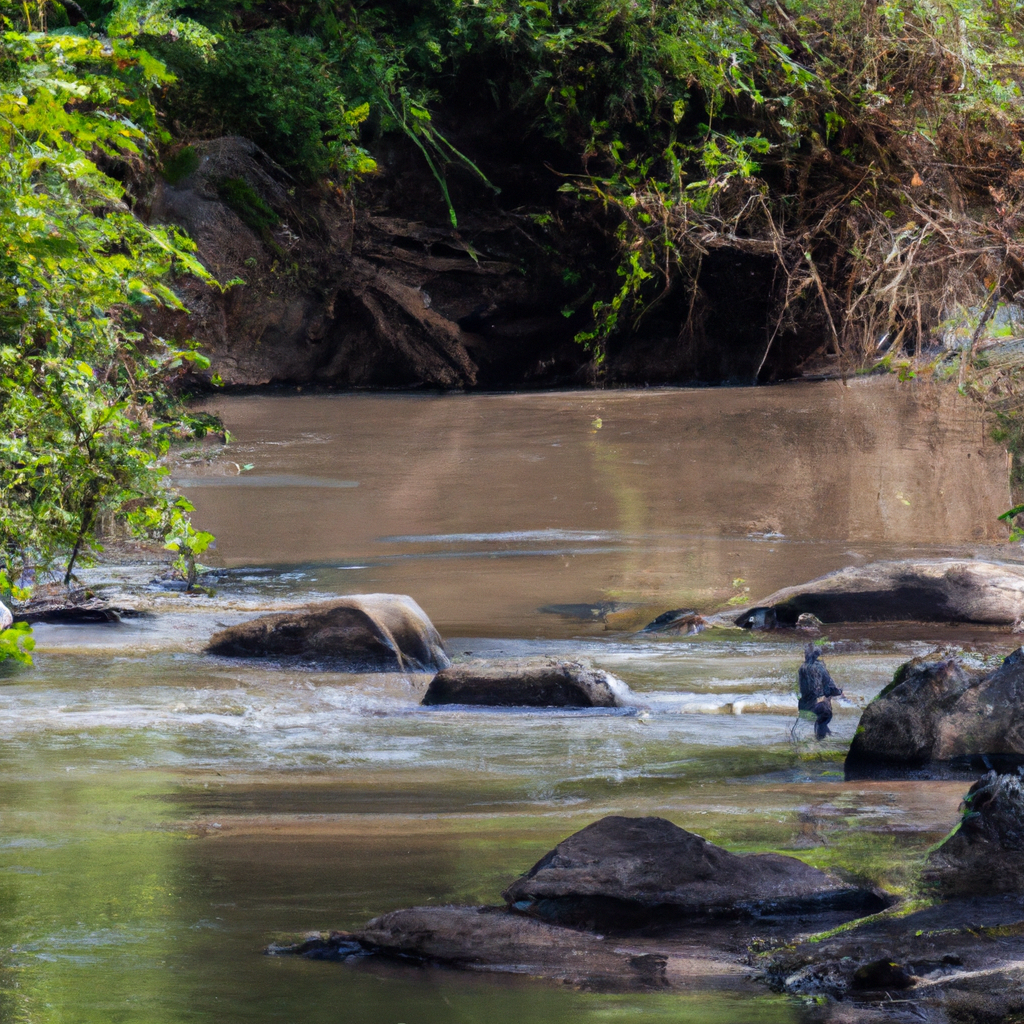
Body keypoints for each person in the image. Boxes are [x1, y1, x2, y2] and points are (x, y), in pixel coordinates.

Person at [798, 644, 843, 740]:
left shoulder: (802, 668)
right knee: (826, 713)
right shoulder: (820, 668)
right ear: (817, 655)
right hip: (815, 707)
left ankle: (822, 734)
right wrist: (839, 691)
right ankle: (820, 739)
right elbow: (829, 689)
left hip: (802, 705)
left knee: (822, 709)